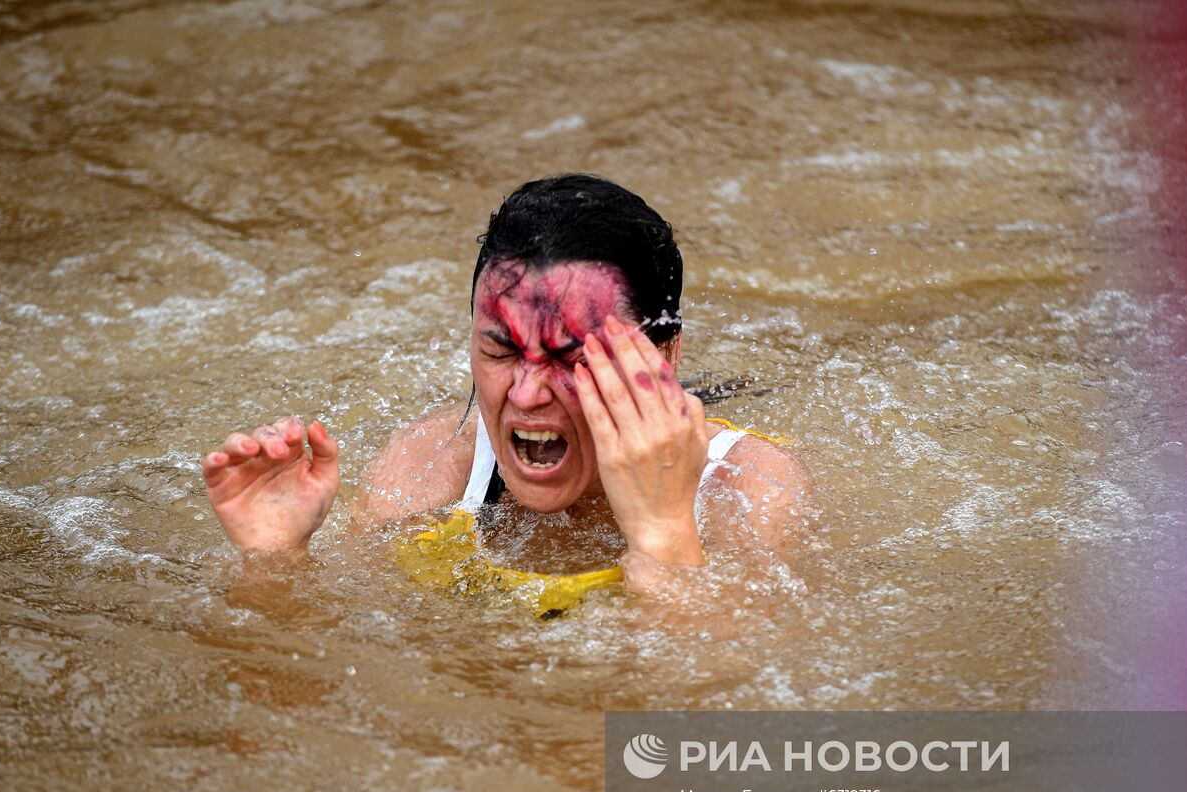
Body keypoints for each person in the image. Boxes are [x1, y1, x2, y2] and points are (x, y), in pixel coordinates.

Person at [201, 174, 809, 597]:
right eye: (500, 349)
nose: (525, 393)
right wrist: (275, 561)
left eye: (572, 357)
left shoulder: (750, 493)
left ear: (665, 355)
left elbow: (708, 710)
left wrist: (661, 531)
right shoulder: (427, 472)